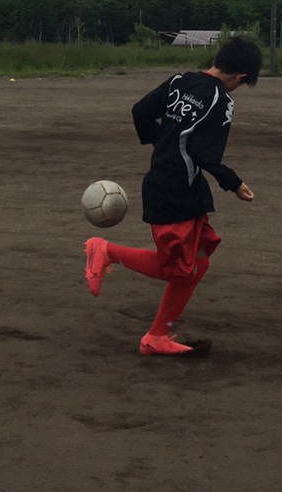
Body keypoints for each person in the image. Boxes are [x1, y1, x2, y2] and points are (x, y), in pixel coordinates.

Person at [83, 35, 262, 356]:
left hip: (178, 186)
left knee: (200, 260)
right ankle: (106, 250)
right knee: (178, 271)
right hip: (174, 191)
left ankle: (157, 336)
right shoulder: (222, 101)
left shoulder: (180, 80)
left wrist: (163, 142)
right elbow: (206, 155)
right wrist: (234, 183)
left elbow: (140, 111)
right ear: (240, 77)